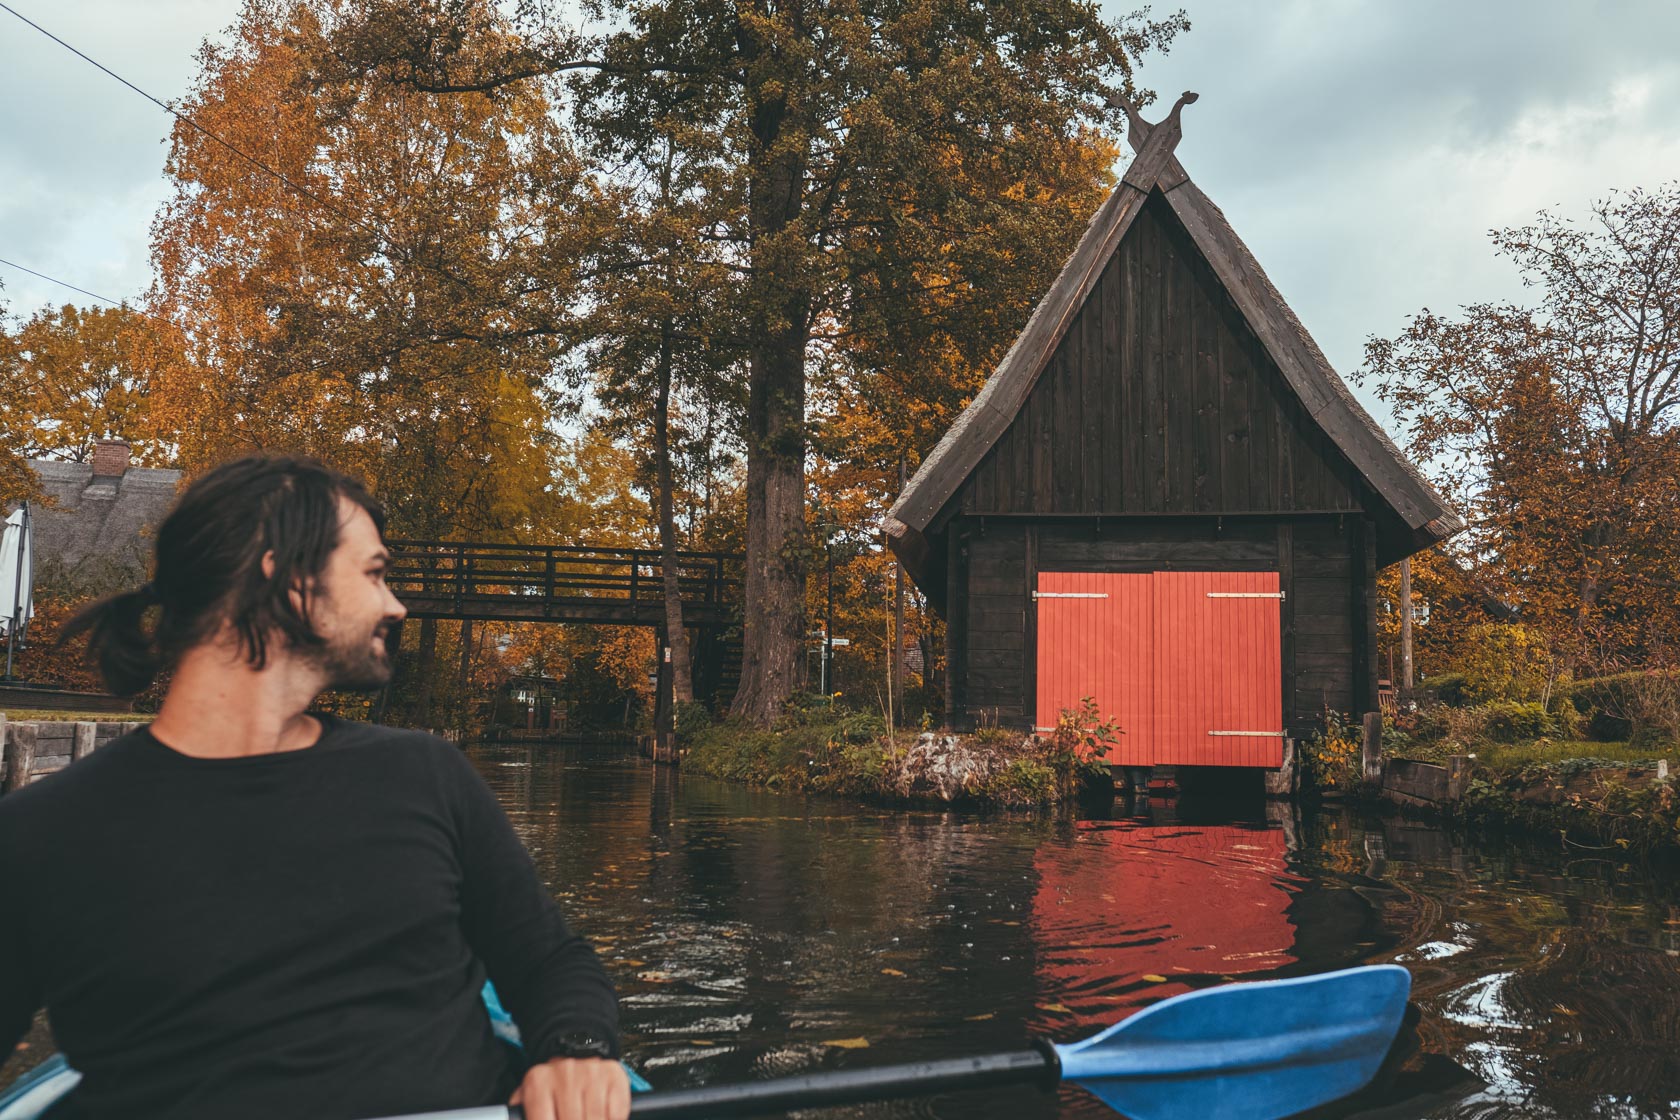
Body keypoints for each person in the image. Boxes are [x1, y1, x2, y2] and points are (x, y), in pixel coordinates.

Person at [0, 455, 630, 1120]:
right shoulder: (39, 834)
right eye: (374, 573)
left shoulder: (426, 774)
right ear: (291, 578)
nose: (397, 604)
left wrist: (577, 1048)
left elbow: (550, 959)